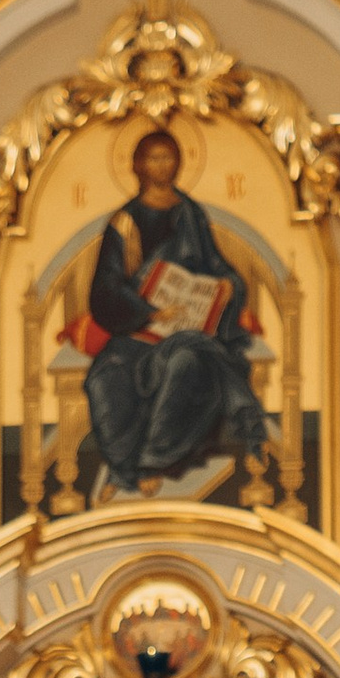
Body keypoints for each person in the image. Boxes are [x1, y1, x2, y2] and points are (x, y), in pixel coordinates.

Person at [73, 125, 268, 502]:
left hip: (190, 330)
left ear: (179, 163)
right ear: (138, 165)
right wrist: (149, 312)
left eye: (168, 157)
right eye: (154, 158)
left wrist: (228, 285)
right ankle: (122, 466)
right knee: (104, 376)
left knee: (184, 364)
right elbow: (105, 290)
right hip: (140, 329)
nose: (162, 166)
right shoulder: (124, 223)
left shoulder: (190, 214)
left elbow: (215, 265)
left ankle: (152, 461)